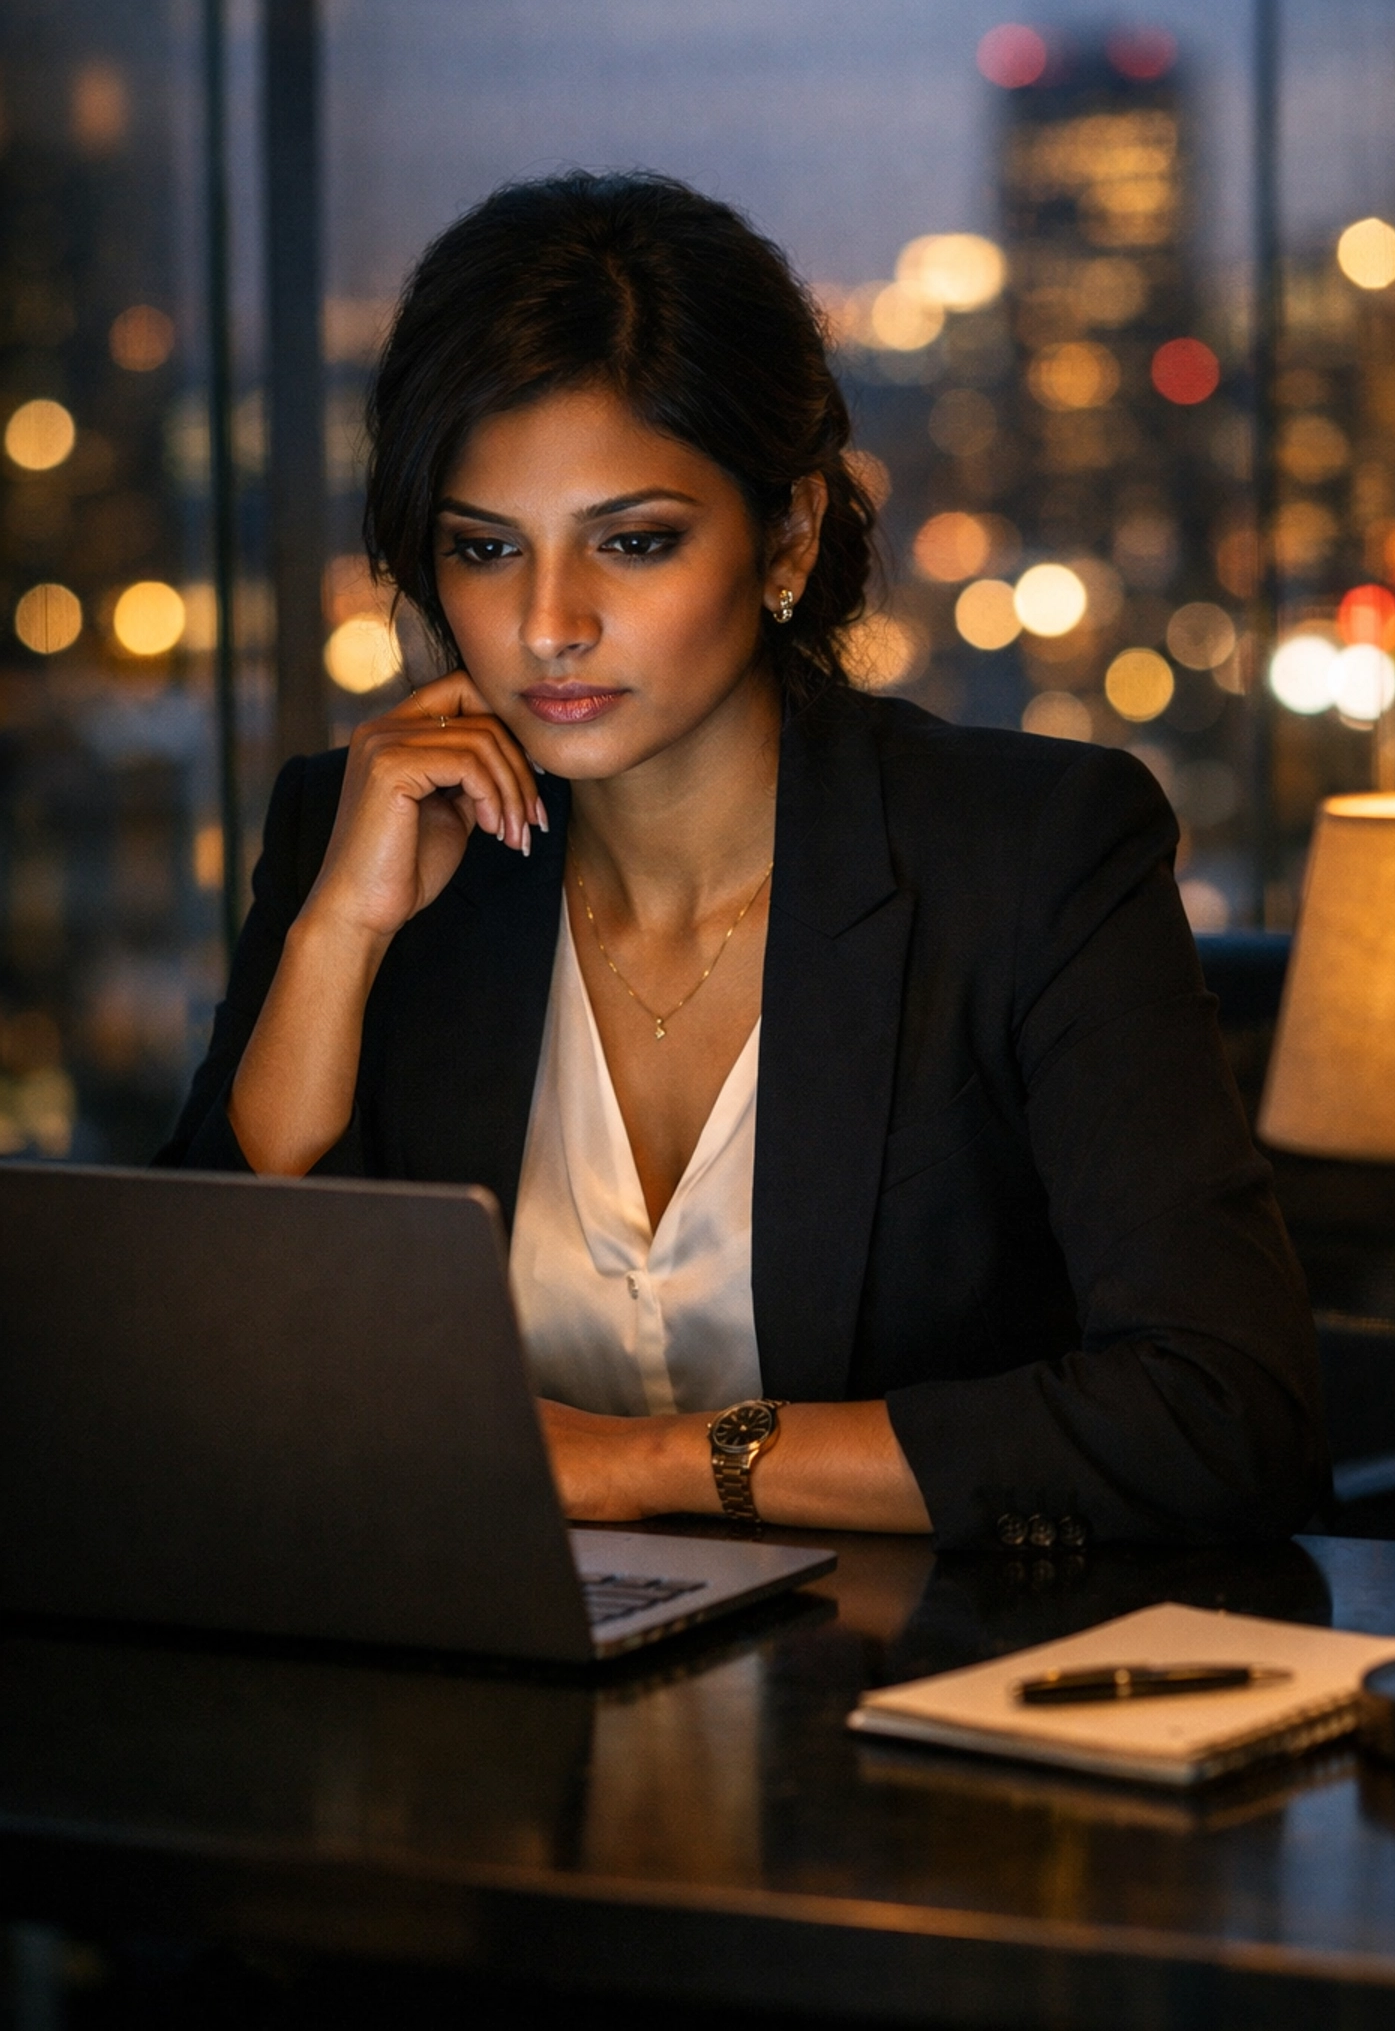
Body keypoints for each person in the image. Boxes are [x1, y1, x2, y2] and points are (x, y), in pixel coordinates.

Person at [161, 171, 1328, 1549]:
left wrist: (654, 1463)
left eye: (633, 542)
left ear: (789, 536)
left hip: (926, 1669)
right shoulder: (357, 836)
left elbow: (1222, 1411)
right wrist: (337, 938)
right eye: (485, 549)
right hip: (485, 1664)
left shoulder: (1028, 854)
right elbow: (175, 1378)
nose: (548, 624)